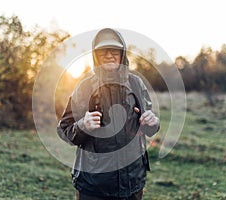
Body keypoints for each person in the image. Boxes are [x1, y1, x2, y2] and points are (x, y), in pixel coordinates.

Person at [57, 28, 160, 200]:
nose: (109, 55)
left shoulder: (136, 84)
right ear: (96, 55)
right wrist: (83, 125)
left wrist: (153, 122)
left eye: (115, 50)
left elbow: (150, 127)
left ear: (123, 53)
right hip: (93, 186)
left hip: (132, 183)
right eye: (103, 50)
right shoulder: (84, 87)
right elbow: (64, 130)